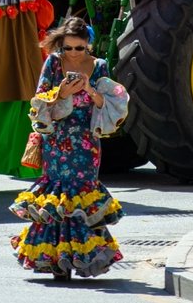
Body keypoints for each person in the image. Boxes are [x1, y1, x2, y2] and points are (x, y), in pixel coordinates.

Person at [10, 16, 129, 280]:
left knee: (82, 197)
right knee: (58, 196)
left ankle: (83, 257)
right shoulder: (52, 63)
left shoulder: (99, 67)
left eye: (79, 48)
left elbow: (107, 104)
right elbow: (39, 98)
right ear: (60, 47)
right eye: (67, 48)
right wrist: (61, 94)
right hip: (56, 140)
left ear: (88, 45)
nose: (73, 54)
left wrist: (89, 88)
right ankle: (56, 260)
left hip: (86, 142)